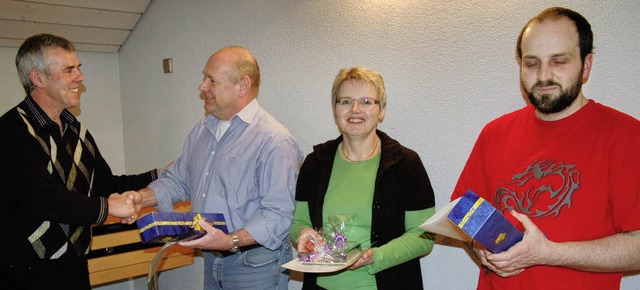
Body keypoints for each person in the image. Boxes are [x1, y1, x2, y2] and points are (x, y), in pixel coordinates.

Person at [451, 7, 640, 290]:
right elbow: (465, 213)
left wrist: (548, 253)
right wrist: (479, 247)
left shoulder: (626, 135)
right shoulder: (494, 133)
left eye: (558, 61)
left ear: (586, 66)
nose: (543, 75)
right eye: (531, 63)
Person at [125, 46, 303, 290]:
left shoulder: (274, 140)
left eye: (212, 80)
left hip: (255, 266)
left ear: (242, 85)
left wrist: (230, 241)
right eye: (203, 77)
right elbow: (179, 180)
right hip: (212, 260)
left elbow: (279, 214)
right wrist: (140, 198)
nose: (201, 86)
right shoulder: (202, 130)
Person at [0, 34, 161, 289]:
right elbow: (44, 199)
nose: (80, 77)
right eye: (69, 70)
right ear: (38, 78)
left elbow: (104, 184)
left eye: (78, 68)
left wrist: (160, 175)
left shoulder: (77, 132)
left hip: (74, 265)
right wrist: (108, 207)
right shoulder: (10, 132)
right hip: (24, 271)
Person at [290, 66, 436, 290]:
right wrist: (304, 234)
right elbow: (299, 223)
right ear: (335, 109)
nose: (355, 109)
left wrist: (376, 256)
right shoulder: (315, 163)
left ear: (382, 110)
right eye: (345, 101)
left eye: (367, 102)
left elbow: (424, 236)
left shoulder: (406, 164)